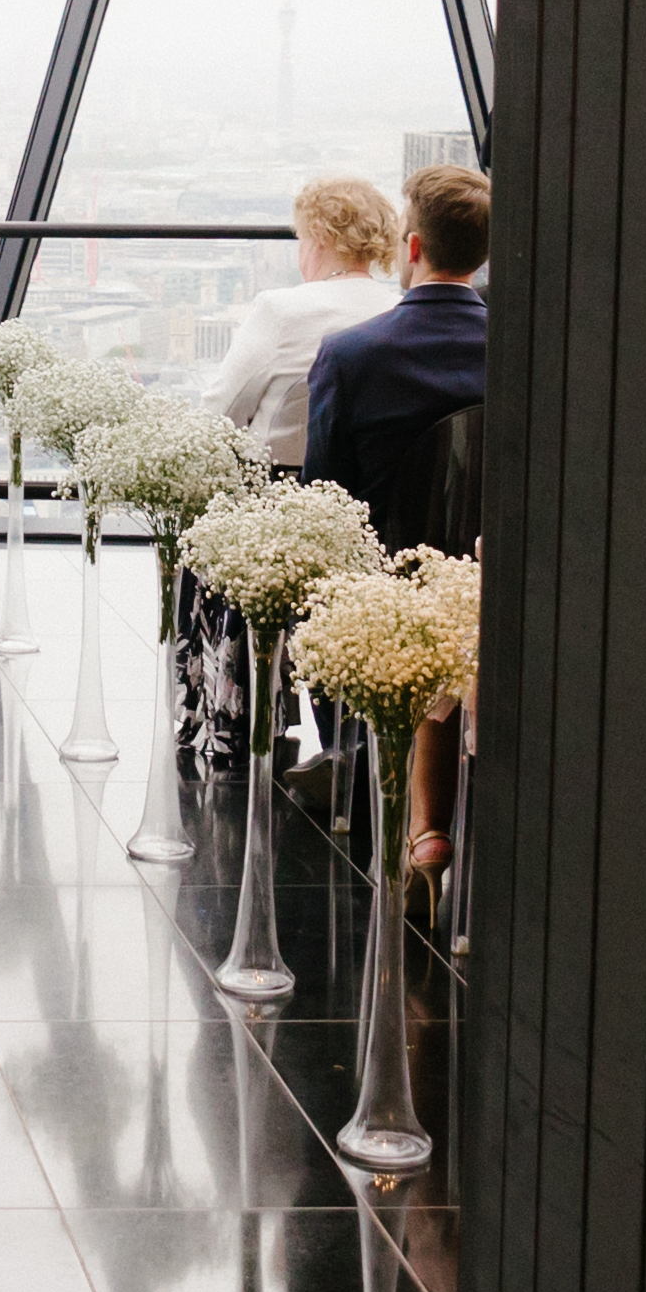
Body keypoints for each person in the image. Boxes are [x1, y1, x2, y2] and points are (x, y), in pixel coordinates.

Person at [306, 164, 494, 868]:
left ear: (411, 248)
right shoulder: (526, 354)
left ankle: (382, 796)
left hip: (390, 591)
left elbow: (330, 499)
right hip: (494, 585)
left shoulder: (352, 356)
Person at [206, 176, 404, 467]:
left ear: (319, 234)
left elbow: (220, 413)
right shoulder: (399, 312)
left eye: (301, 239)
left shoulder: (281, 310)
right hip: (367, 495)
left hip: (271, 489)